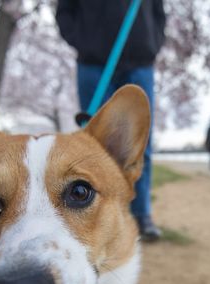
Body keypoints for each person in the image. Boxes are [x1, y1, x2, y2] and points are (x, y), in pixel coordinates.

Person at [56, 0, 166, 242]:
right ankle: (90, 216)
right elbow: (65, 11)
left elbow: (158, 13)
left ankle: (142, 214)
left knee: (138, 146)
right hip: (93, 63)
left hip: (140, 60)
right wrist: (85, 42)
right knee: (90, 145)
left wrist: (151, 44)